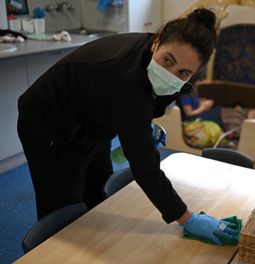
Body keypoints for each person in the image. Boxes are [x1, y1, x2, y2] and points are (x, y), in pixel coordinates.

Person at [17, 8, 236, 245]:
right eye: (168, 60)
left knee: (98, 190)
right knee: (63, 208)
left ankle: (93, 249)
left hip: (92, 118)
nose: (170, 74)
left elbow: (144, 102)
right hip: (49, 122)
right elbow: (145, 168)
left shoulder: (156, 69)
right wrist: (187, 219)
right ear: (155, 43)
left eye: (183, 72)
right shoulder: (126, 79)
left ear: (193, 74)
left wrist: (142, 126)